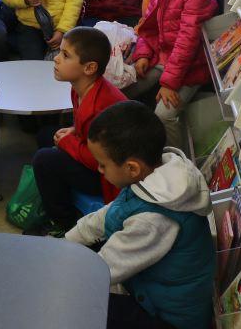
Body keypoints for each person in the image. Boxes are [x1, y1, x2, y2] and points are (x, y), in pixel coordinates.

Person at [65, 101, 214, 329]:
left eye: (103, 165)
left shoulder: (153, 220)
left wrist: (56, 275)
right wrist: (65, 244)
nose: (99, 170)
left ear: (132, 168)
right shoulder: (155, 178)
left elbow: (102, 270)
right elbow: (108, 216)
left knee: (83, 304)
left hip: (169, 319)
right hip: (154, 292)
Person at [26, 27, 127, 237]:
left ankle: (64, 222)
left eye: (65, 55)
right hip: (94, 154)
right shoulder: (80, 87)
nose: (56, 59)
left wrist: (67, 143)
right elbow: (85, 126)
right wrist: (73, 130)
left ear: (89, 68)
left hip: (110, 176)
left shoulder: (102, 105)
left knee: (44, 158)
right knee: (46, 135)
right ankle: (61, 200)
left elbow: (98, 159)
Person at [126, 0, 218, 149]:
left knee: (164, 114)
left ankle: (176, 161)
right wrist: (142, 55)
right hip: (162, 57)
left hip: (190, 68)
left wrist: (169, 84)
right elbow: (148, 27)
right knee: (122, 88)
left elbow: (187, 44)